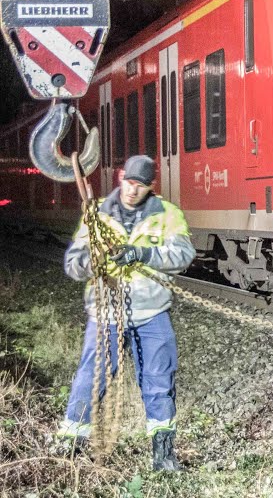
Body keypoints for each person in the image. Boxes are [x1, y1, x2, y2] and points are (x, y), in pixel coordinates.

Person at [52, 155, 195, 471]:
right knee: (91, 379)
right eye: (129, 182)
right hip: (106, 314)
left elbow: (184, 254)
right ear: (120, 177)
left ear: (151, 187)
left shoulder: (168, 215)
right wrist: (95, 262)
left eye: (141, 185)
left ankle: (164, 454)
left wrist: (141, 253)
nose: (133, 190)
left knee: (159, 380)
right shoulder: (96, 214)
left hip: (152, 313)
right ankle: (68, 448)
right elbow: (73, 264)